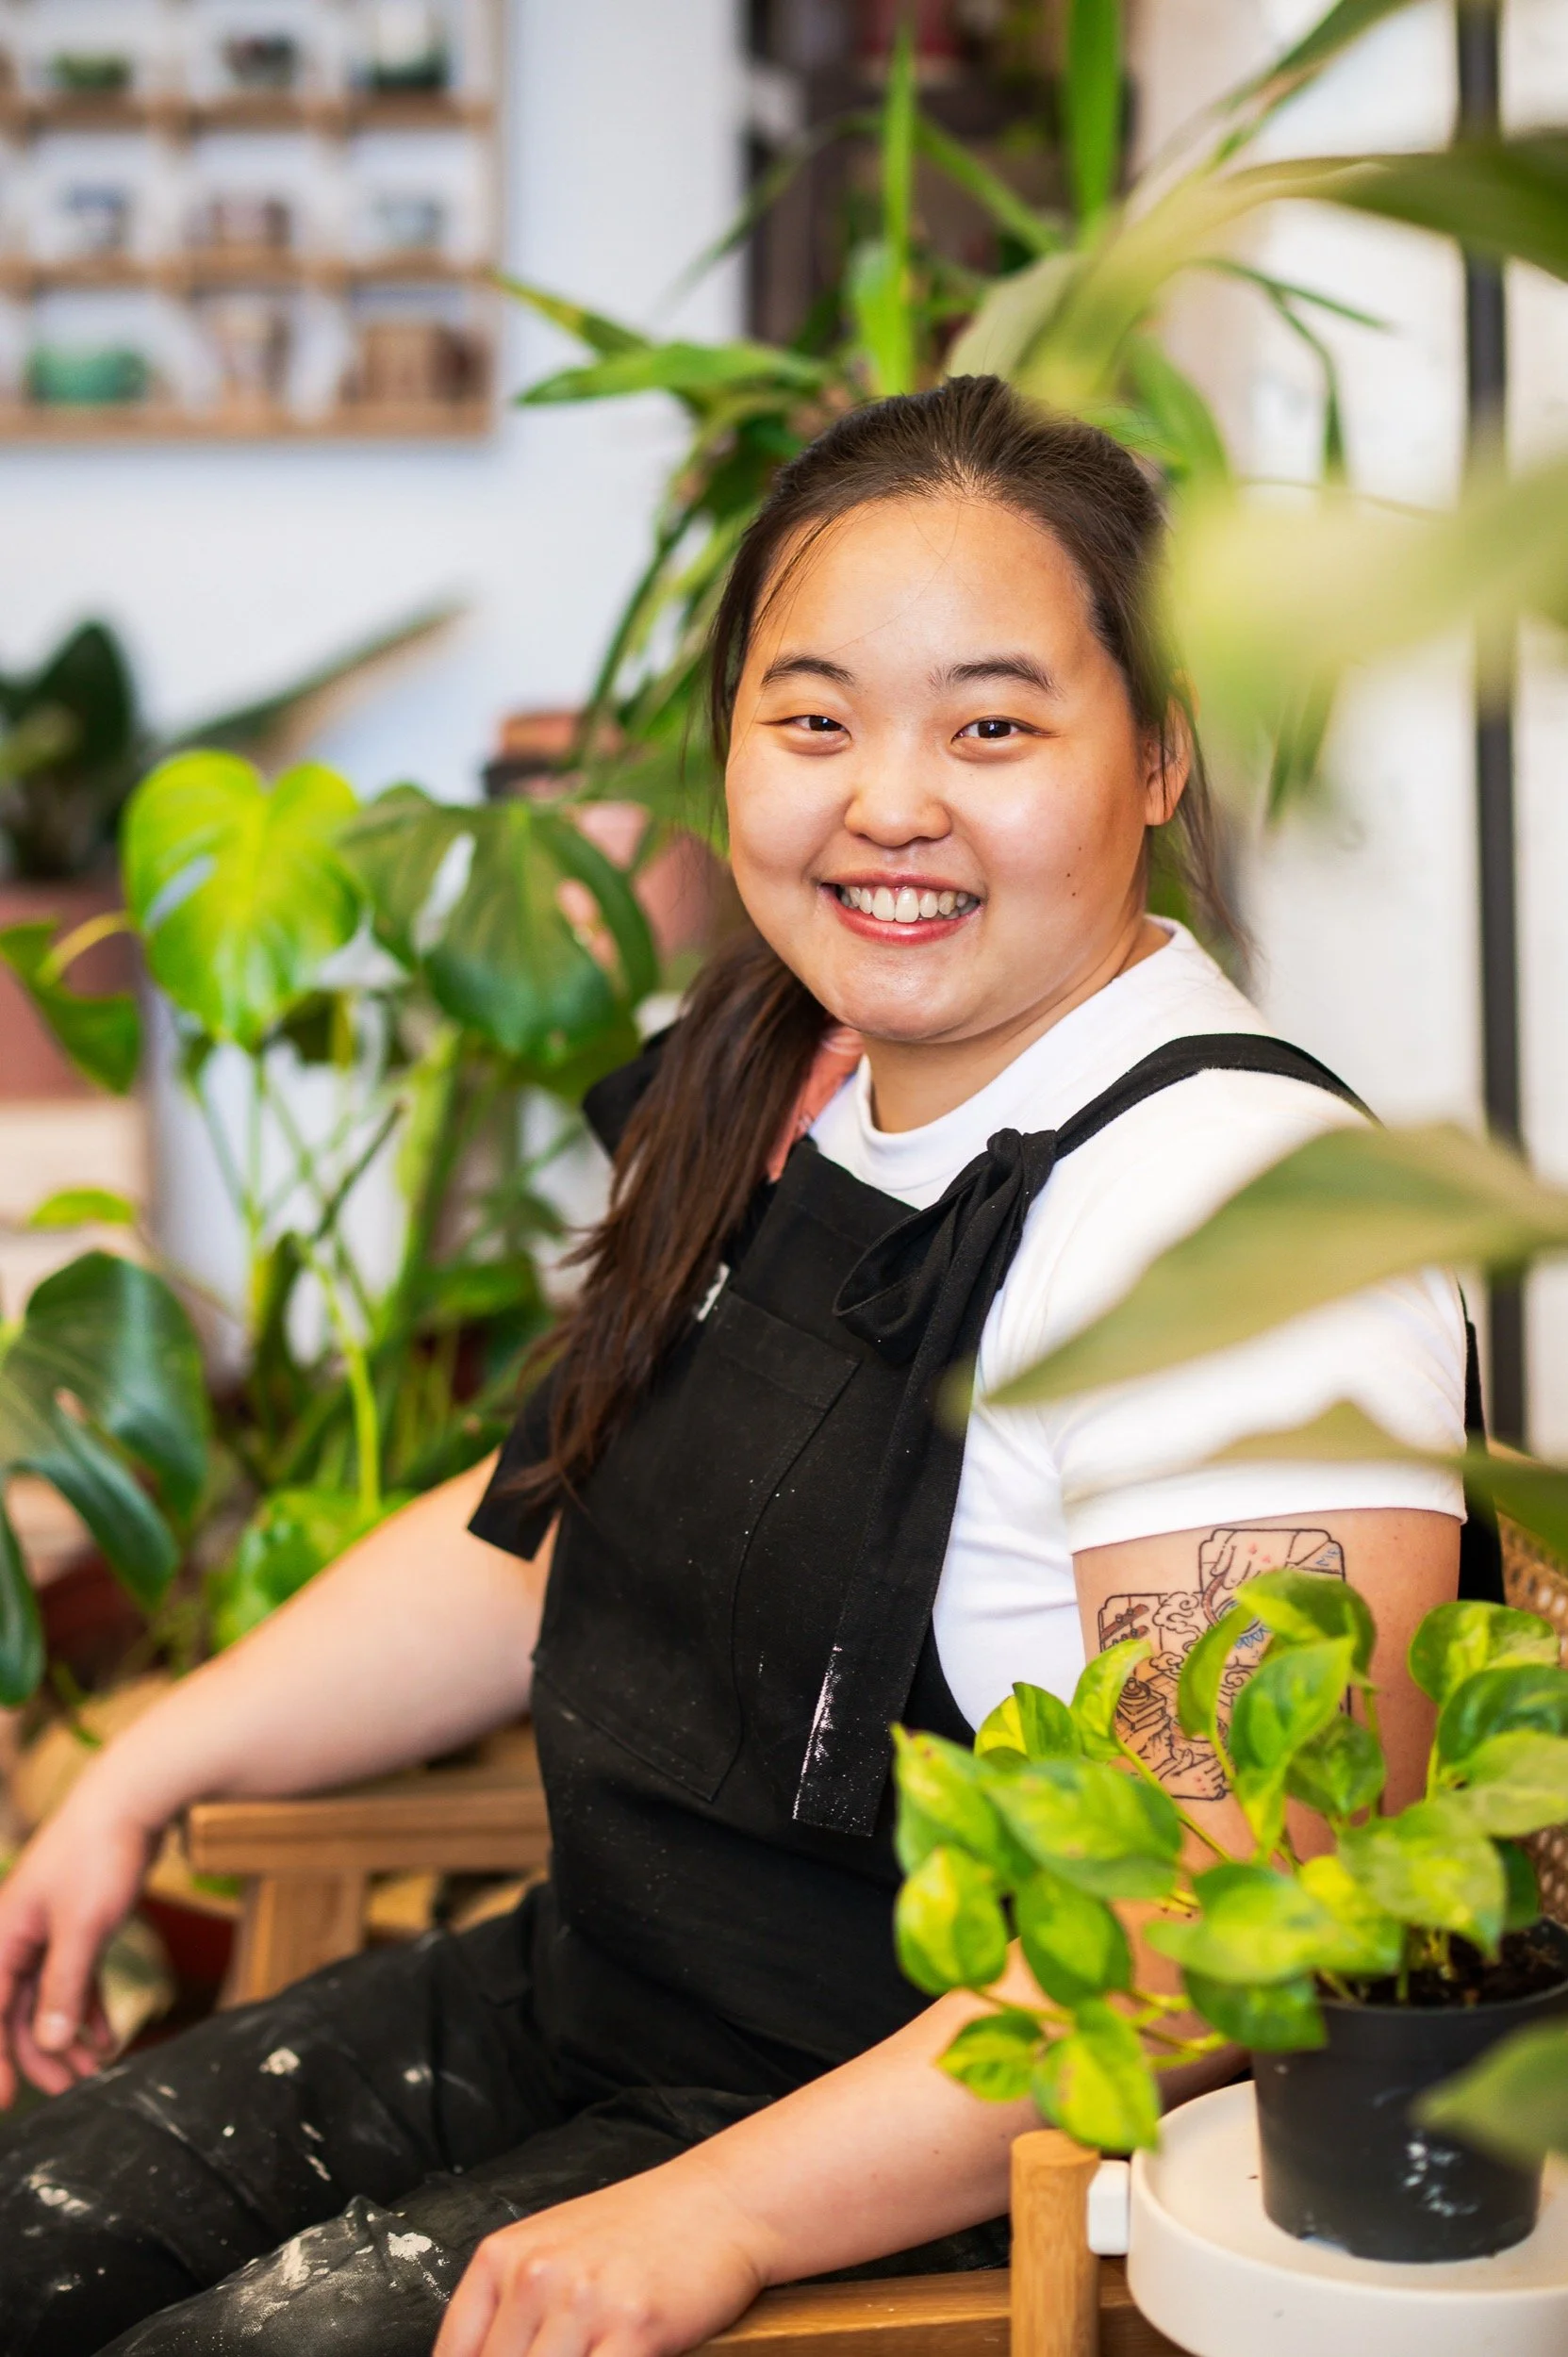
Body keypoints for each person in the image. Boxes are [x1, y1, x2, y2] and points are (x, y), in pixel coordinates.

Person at [0, 378, 1475, 2357]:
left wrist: (711, 2208)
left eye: (994, 723)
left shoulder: (1238, 1217)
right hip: (574, 1995)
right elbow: (540, 1525)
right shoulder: (822, 1088)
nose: (888, 799)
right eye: (814, 717)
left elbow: (1230, 1919)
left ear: (1155, 757)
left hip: (890, 2154)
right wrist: (144, 1764)